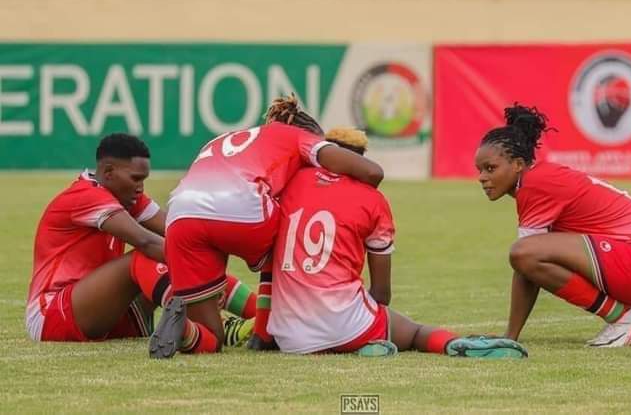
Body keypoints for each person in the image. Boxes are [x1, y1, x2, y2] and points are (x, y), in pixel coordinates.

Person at [149, 95, 385, 358]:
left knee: (211, 338)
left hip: (181, 216)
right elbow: (372, 172)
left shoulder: (224, 138)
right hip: (242, 210)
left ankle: (185, 331)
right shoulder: (298, 137)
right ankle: (263, 333)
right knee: (290, 234)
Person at [267, 127, 528, 358]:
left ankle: (364, 345)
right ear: (361, 159)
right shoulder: (372, 200)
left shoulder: (292, 184)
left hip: (289, 337)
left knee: (351, 322)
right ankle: (452, 344)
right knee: (414, 333)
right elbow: (382, 293)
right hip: (348, 325)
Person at [474, 104, 631, 347]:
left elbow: (525, 256)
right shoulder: (537, 180)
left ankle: (624, 320)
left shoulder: (535, 183)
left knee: (524, 252)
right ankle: (623, 319)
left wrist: (510, 336)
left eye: (491, 168)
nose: (482, 177)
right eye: (479, 170)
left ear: (519, 164)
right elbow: (527, 266)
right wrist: (510, 338)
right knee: (526, 253)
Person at [26, 133, 257, 345]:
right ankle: (214, 329)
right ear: (108, 173)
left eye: (143, 179)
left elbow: (179, 234)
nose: (140, 188)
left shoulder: (126, 196)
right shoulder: (86, 195)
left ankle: (261, 316)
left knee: (187, 253)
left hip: (104, 312)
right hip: (53, 315)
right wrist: (204, 280)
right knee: (144, 256)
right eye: (135, 179)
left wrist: (212, 253)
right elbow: (147, 242)